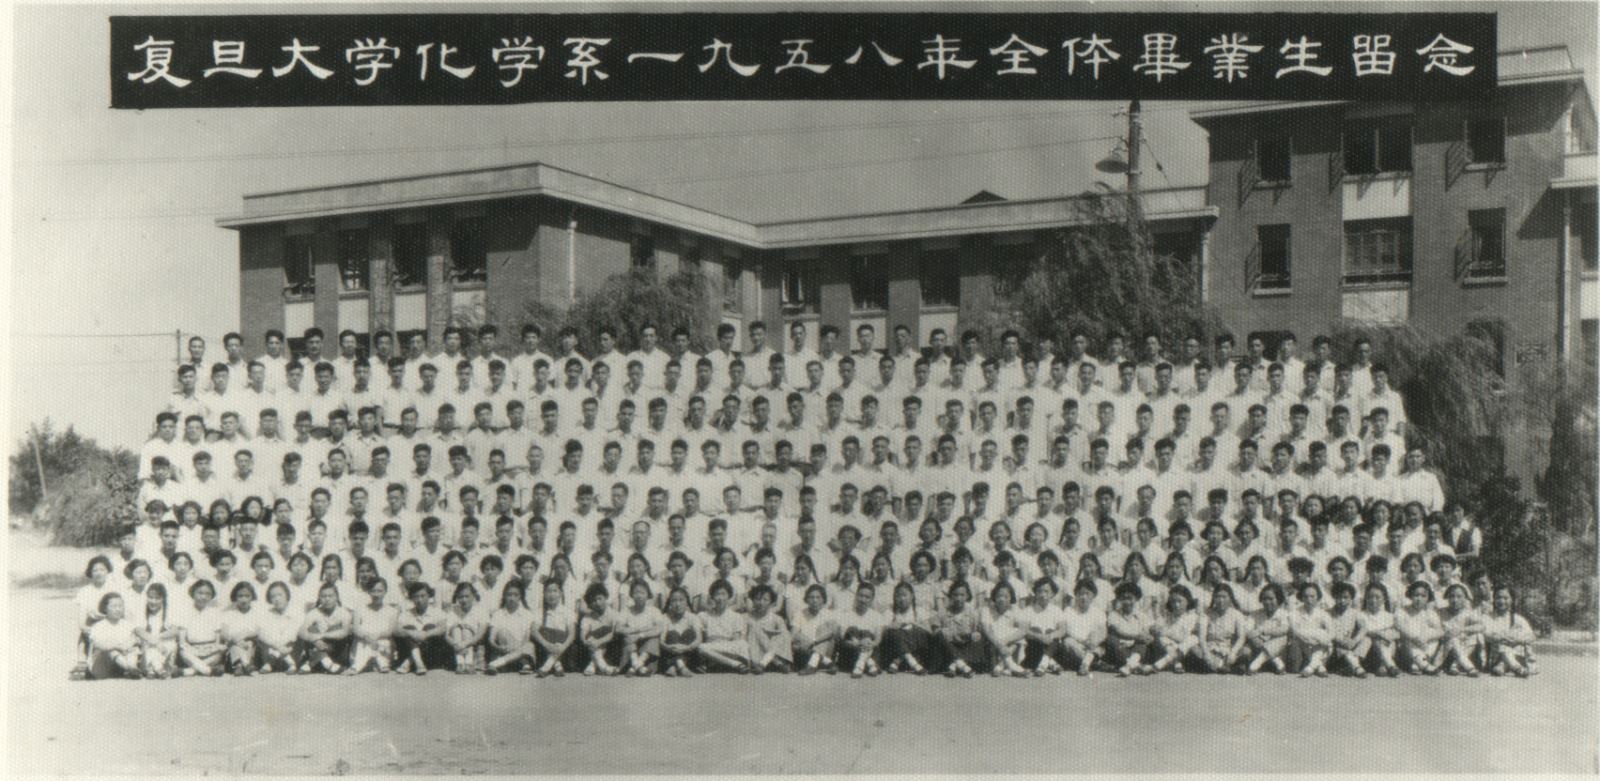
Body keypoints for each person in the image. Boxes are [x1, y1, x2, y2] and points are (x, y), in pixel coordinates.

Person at [935, 580, 990, 677]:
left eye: (962, 595)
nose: (958, 598)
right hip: (949, 648)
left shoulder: (973, 613)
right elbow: (936, 632)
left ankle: (955, 664)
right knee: (939, 635)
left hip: (966, 647)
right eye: (955, 595)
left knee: (980, 639)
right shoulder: (943, 612)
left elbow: (977, 632)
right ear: (950, 596)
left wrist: (975, 634)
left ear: (967, 596)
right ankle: (960, 664)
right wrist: (945, 633)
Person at [298, 582, 354, 674]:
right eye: (323, 596)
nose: (327, 599)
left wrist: (321, 636)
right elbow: (301, 631)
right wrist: (315, 641)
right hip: (318, 646)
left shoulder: (343, 612)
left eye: (330, 596)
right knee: (311, 629)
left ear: (337, 597)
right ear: (319, 598)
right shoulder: (314, 612)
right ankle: (327, 663)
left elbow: (345, 632)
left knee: (336, 628)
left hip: (337, 652)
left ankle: (312, 662)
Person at [881, 581, 935, 675]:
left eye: (904, 595)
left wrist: (913, 625)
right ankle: (912, 662)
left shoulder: (919, 611)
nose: (901, 599)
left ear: (912, 596)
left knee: (916, 630)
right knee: (894, 631)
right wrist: (892, 626)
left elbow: (929, 632)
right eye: (898, 596)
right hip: (895, 650)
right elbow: (882, 632)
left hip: (916, 652)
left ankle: (900, 659)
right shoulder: (890, 612)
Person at [1483, 585, 1537, 677]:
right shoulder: (1488, 617)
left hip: (1515, 653)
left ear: (1512, 600)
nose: (1502, 601)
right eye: (1498, 598)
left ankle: (1503, 666)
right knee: (1503, 646)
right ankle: (1516, 668)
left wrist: (1516, 640)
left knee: (1514, 638)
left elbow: (1531, 636)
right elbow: (1485, 633)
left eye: (1505, 598)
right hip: (1496, 654)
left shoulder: (1517, 618)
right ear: (1494, 600)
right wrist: (1500, 638)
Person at [697, 579, 750, 673]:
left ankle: (718, 662)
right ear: (712, 597)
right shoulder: (703, 615)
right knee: (701, 647)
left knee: (743, 643)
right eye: (717, 594)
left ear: (729, 596)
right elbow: (702, 638)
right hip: (712, 646)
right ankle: (735, 664)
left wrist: (725, 649)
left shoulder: (736, 616)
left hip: (727, 647)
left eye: (723, 594)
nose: (720, 598)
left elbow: (736, 640)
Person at [485, 581, 537, 675]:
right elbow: (491, 639)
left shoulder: (528, 614)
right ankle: (521, 664)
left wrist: (516, 649)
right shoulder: (498, 614)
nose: (512, 598)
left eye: (515, 595)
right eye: (509, 595)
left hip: (521, 655)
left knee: (530, 645)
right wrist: (498, 647)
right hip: (504, 651)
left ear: (520, 597)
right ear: (504, 596)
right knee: (503, 632)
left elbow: (526, 638)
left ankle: (496, 664)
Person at [1016, 578, 1066, 675]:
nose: (1043, 595)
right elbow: (1023, 630)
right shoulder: (1028, 610)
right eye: (1039, 591)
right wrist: (1040, 637)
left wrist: (1050, 636)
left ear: (1052, 594)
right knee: (1036, 630)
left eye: (1046, 591)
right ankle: (1049, 663)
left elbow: (1062, 630)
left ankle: (1044, 663)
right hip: (1034, 648)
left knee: (1051, 632)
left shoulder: (1057, 610)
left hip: (1053, 646)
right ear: (1035, 593)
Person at [86, 593, 142, 680]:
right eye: (114, 606)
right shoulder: (98, 626)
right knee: (112, 650)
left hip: (120, 663)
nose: (118, 609)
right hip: (101, 666)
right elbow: (99, 645)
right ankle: (130, 669)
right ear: (105, 608)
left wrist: (129, 645)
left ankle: (132, 668)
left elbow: (135, 641)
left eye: (120, 606)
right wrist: (117, 646)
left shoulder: (127, 625)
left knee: (133, 649)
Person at [1194, 584, 1247, 674]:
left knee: (1246, 651)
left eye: (1224, 597)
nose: (1221, 600)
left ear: (1230, 598)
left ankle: (1218, 666)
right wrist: (1206, 653)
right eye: (1218, 597)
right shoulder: (1206, 614)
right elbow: (1201, 637)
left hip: (1228, 650)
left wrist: (1233, 652)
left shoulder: (1237, 615)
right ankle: (1221, 666)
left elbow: (1241, 637)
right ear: (1213, 598)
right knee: (1194, 649)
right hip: (1210, 650)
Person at [178, 579, 226, 676]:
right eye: (200, 593)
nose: (203, 597)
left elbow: (217, 640)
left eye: (208, 594)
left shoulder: (215, 612)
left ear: (212, 596)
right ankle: (209, 670)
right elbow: (182, 641)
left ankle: (188, 671)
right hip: (192, 649)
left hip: (210, 649)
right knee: (183, 652)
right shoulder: (185, 612)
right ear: (193, 593)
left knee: (219, 653)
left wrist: (215, 647)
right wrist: (189, 648)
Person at [838, 582, 886, 678]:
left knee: (867, 633)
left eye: (867, 597)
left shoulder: (877, 616)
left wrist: (869, 644)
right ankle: (868, 663)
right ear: (856, 596)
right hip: (852, 650)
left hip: (870, 649)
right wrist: (857, 643)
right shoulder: (846, 614)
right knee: (853, 629)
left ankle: (860, 664)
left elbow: (878, 639)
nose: (863, 600)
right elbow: (842, 636)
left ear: (872, 599)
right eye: (861, 596)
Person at [1395, 581, 1445, 675]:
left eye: (1423, 596)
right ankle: (1424, 665)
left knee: (1433, 636)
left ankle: (1418, 664)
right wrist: (1414, 637)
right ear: (1410, 596)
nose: (1419, 599)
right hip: (1408, 649)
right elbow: (1400, 627)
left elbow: (1440, 631)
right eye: (1416, 595)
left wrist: (1427, 637)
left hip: (1425, 647)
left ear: (1428, 598)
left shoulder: (1430, 613)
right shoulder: (1402, 611)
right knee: (1406, 638)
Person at [1105, 582, 1153, 677]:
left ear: (1136, 599)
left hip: (1137, 650)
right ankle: (1137, 666)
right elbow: (1117, 632)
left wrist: (1147, 637)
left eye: (1130, 598)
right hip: (1120, 649)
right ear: (1119, 599)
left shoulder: (1142, 616)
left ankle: (1129, 665)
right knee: (1111, 639)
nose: (1127, 602)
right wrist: (1136, 637)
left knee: (1142, 642)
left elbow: (1146, 633)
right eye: (1123, 598)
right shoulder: (1113, 615)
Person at [617, 580, 665, 676]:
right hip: (630, 649)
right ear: (631, 595)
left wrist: (640, 635)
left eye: (642, 592)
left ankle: (636, 665)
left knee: (654, 638)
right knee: (627, 636)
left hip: (648, 652)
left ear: (648, 595)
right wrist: (639, 630)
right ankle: (638, 665)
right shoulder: (626, 611)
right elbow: (618, 628)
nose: (639, 596)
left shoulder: (654, 611)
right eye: (636, 592)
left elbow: (659, 628)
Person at [531, 579, 577, 677]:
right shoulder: (540, 611)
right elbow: (534, 631)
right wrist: (547, 645)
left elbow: (572, 634)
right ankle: (557, 665)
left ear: (560, 593)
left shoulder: (568, 612)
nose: (551, 595)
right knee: (544, 631)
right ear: (544, 594)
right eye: (548, 591)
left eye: (555, 591)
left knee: (561, 635)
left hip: (563, 649)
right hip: (545, 648)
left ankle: (548, 665)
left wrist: (562, 647)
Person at [1148, 585, 1199, 673]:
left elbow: (1184, 638)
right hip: (1170, 649)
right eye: (1173, 601)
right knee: (1162, 638)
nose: (1176, 605)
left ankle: (1163, 662)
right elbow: (1155, 628)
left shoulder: (1193, 617)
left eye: (1180, 601)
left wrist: (1168, 634)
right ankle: (1176, 662)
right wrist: (1156, 629)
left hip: (1187, 651)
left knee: (1193, 638)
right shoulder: (1167, 616)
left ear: (1187, 601)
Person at [1286, 582, 1333, 677]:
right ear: (1301, 598)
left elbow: (1332, 632)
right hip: (1302, 644)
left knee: (1324, 637)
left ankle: (1310, 667)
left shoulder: (1323, 614)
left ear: (1318, 597)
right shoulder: (1294, 613)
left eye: (1312, 596)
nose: (1309, 600)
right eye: (1305, 596)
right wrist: (1311, 638)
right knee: (1319, 633)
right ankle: (1318, 666)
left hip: (1319, 645)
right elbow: (1295, 631)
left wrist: (1323, 639)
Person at [1436, 583, 1483, 677]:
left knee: (1476, 636)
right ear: (1447, 598)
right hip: (1446, 648)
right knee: (1453, 640)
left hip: (1464, 647)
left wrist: (1462, 629)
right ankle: (1469, 667)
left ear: (1465, 598)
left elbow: (1481, 626)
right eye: (1452, 596)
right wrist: (1445, 633)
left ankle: (1455, 665)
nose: (1455, 600)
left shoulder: (1467, 613)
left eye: (1459, 596)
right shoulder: (1441, 612)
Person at [134, 583, 180, 678]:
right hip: (149, 646)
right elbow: (138, 630)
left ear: (163, 599)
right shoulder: (142, 611)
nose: (153, 601)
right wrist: (155, 642)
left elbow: (175, 631)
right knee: (148, 647)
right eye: (150, 597)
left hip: (164, 648)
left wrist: (158, 638)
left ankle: (153, 670)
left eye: (157, 598)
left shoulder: (168, 611)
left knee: (170, 644)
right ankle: (159, 669)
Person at [789, 584, 838, 675]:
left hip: (822, 647)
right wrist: (803, 640)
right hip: (805, 649)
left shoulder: (828, 614)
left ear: (823, 599)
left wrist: (813, 641)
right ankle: (827, 663)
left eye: (818, 597)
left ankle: (813, 663)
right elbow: (793, 634)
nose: (815, 600)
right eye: (811, 597)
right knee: (798, 635)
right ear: (807, 599)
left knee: (824, 629)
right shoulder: (799, 614)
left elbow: (832, 633)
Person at [255, 582, 302, 674]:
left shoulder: (296, 612)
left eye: (280, 595)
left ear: (287, 595)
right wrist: (277, 646)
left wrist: (281, 646)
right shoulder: (267, 614)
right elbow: (262, 634)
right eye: (273, 596)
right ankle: (290, 664)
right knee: (264, 637)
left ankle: (272, 663)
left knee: (295, 637)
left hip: (290, 649)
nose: (277, 599)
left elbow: (294, 633)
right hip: (273, 649)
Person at [1354, 583, 1401, 677]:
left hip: (1387, 648)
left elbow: (1397, 633)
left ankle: (1383, 665)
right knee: (1376, 640)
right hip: (1369, 652)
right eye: (1370, 597)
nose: (1373, 600)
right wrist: (1381, 634)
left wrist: (1389, 636)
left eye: (1377, 597)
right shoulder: (1361, 615)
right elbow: (1366, 631)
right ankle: (1390, 665)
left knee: (1389, 641)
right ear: (1365, 598)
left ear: (1384, 599)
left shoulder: (1389, 616)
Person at [744, 584, 792, 674]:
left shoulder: (776, 619)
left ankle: (764, 663)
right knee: (755, 628)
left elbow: (785, 638)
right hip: (754, 654)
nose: (761, 602)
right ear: (752, 600)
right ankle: (777, 663)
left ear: (771, 602)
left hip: (773, 653)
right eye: (757, 599)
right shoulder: (746, 617)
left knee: (785, 633)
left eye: (765, 599)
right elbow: (742, 638)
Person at [1244, 584, 1290, 675]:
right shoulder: (1255, 614)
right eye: (1265, 599)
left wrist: (1263, 631)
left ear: (1278, 599)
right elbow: (1247, 631)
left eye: (1271, 599)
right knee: (1247, 648)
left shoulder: (1283, 614)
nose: (1267, 602)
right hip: (1258, 645)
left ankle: (1256, 664)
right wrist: (1255, 638)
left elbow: (1284, 629)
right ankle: (1276, 661)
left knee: (1282, 638)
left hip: (1278, 648)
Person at [444, 583, 489, 674]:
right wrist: (456, 644)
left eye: (467, 596)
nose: (464, 600)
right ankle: (460, 663)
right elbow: (445, 634)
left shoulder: (481, 611)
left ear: (473, 596)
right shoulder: (453, 611)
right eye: (461, 597)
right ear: (457, 598)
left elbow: (480, 634)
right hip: (456, 645)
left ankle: (468, 663)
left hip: (474, 644)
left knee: (466, 630)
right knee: (456, 629)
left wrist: (464, 644)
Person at [219, 582, 261, 676]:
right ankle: (245, 665)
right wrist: (236, 641)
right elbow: (224, 633)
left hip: (250, 645)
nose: (244, 600)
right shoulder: (229, 613)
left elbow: (258, 631)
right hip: (232, 644)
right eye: (240, 596)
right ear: (235, 597)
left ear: (252, 597)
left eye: (247, 596)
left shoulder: (256, 613)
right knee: (234, 645)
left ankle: (238, 665)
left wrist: (245, 635)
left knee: (249, 644)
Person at [658, 586, 702, 677]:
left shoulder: (693, 618)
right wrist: (668, 647)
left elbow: (699, 639)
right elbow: (661, 641)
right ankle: (680, 666)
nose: (677, 604)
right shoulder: (665, 617)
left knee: (689, 633)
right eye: (674, 601)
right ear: (670, 603)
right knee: (672, 634)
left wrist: (686, 648)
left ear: (687, 602)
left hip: (689, 655)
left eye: (681, 600)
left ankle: (674, 666)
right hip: (670, 653)